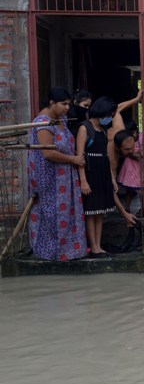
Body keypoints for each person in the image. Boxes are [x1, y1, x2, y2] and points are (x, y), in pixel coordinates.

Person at [26, 87, 87, 261]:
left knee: (67, 212)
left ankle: (69, 250)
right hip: (49, 177)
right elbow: (48, 153)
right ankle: (51, 253)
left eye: (68, 104)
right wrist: (73, 159)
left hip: (65, 175)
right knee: (51, 215)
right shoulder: (43, 123)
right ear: (52, 103)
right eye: (63, 104)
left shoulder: (61, 119)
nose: (67, 108)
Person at [76, 97, 137, 258]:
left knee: (100, 211)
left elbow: (106, 158)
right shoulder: (85, 128)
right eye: (109, 114)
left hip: (102, 172)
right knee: (90, 212)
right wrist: (83, 181)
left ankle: (99, 246)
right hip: (90, 172)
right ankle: (94, 246)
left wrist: (111, 178)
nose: (109, 118)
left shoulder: (103, 130)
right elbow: (79, 156)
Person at [116, 120, 143, 213]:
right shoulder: (126, 140)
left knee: (142, 189)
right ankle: (127, 208)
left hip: (140, 167)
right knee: (130, 189)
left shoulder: (142, 138)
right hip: (130, 167)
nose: (131, 136)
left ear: (137, 130)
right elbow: (128, 153)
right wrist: (137, 155)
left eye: (133, 133)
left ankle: (143, 209)